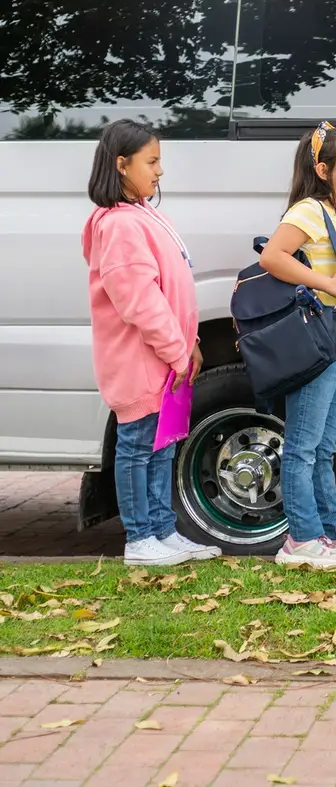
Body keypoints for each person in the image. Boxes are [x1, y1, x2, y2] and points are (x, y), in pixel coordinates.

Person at [82, 119, 220, 566]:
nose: (160, 171)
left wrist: (190, 342)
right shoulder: (120, 225)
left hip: (166, 358)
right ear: (122, 165)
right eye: (152, 161)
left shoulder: (143, 214)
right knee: (139, 447)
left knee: (163, 446)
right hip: (141, 361)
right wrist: (176, 350)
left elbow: (172, 292)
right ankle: (140, 539)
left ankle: (163, 530)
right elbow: (140, 301)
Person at [259, 121, 336, 569]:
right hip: (323, 330)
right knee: (303, 443)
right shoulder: (309, 210)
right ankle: (301, 539)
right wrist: (328, 284)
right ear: (322, 168)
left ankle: (333, 533)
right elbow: (272, 257)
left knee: (326, 444)